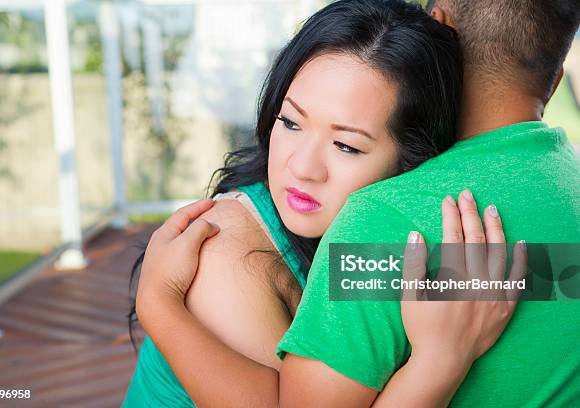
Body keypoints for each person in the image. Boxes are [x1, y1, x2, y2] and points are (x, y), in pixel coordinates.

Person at [125, 0, 529, 406]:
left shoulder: (380, 231)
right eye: (291, 122)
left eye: (345, 145)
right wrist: (157, 305)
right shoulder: (228, 254)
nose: (301, 167)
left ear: (414, 161)